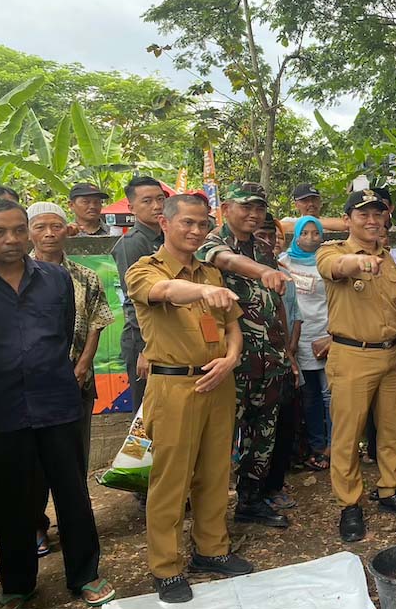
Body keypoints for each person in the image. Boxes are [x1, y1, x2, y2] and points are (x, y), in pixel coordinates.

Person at [125, 194, 254, 603]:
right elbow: (166, 291)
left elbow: (233, 327)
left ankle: (211, 550)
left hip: (217, 382)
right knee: (170, 481)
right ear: (165, 223)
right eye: (187, 223)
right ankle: (165, 567)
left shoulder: (210, 273)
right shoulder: (144, 269)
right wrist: (198, 291)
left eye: (202, 224)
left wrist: (231, 359)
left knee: (216, 473)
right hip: (174, 386)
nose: (196, 231)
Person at [0, 198, 115, 608]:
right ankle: (17, 583)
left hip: (57, 401)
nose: (10, 239)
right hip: (3, 409)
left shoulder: (55, 279)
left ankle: (85, 575)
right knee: (11, 498)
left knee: (72, 492)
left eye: (15, 229)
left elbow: (66, 334)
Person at [316, 189, 396, 542]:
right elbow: (336, 269)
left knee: (394, 430)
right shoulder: (332, 251)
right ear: (348, 219)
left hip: (395, 355)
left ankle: (391, 490)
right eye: (363, 213)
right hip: (352, 355)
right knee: (348, 436)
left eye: (377, 213)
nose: (371, 220)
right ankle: (350, 505)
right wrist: (359, 263)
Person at [197, 182, 292, 529]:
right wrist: (264, 271)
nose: (254, 214)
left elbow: (275, 302)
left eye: (260, 208)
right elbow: (227, 261)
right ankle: (211, 515)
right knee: (221, 438)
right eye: (246, 207)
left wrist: (286, 353)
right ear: (225, 210)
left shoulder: (265, 248)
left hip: (270, 360)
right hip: (231, 361)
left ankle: (251, 501)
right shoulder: (210, 242)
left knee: (262, 436)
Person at [27, 202, 114, 557]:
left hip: (76, 380)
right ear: (29, 232)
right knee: (31, 461)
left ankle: (74, 523)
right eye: (41, 227)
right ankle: (35, 524)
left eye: (56, 226)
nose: (49, 234)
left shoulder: (85, 276)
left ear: (68, 230)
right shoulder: (17, 276)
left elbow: (96, 320)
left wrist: (83, 366)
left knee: (75, 455)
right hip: (29, 386)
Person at [255, 213, 303, 511]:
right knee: (254, 432)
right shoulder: (235, 269)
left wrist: (290, 353)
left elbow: (292, 315)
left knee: (284, 424)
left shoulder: (282, 272)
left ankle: (274, 485)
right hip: (250, 364)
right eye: (262, 234)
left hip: (281, 361)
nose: (268, 240)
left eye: (272, 235)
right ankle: (252, 492)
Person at [111, 176, 168, 415]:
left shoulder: (169, 238)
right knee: (146, 414)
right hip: (143, 339)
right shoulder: (132, 243)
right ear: (131, 207)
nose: (156, 206)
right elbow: (133, 299)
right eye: (147, 201)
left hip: (168, 334)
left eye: (160, 199)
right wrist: (145, 348)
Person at [280, 215, 332, 471]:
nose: (310, 238)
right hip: (298, 338)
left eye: (315, 233)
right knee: (309, 395)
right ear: (296, 236)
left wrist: (332, 334)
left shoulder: (326, 260)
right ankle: (316, 446)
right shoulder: (284, 261)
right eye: (305, 233)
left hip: (326, 334)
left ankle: (335, 447)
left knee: (329, 394)